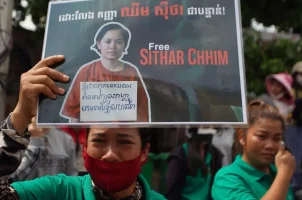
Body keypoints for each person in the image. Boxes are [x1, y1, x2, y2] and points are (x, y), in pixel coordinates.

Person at [0, 55, 165, 200]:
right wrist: (21, 114)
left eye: (124, 142)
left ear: (144, 152)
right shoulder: (57, 191)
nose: (110, 155)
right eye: (99, 141)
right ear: (84, 146)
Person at [60, 22, 150, 123]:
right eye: (107, 41)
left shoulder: (132, 72)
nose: (112, 46)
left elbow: (142, 114)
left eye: (119, 42)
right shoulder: (86, 71)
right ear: (99, 44)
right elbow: (74, 113)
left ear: (125, 45)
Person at [211, 100, 296, 200]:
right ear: (242, 137)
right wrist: (283, 175)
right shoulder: (226, 178)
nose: (270, 146)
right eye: (262, 136)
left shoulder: (276, 172)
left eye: (277, 138)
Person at [9, 117, 78, 182]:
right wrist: (35, 140)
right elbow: (13, 178)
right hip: (27, 192)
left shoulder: (66, 139)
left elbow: (72, 176)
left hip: (57, 193)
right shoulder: (16, 137)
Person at [165, 127, 223, 200]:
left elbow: (215, 190)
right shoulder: (179, 156)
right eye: (206, 127)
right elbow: (171, 194)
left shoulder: (214, 155)